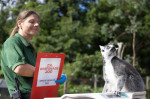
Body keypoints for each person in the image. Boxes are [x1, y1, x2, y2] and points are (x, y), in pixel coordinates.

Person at [1, 10, 66, 99]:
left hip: (37, 95)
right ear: (20, 24)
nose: (37, 25)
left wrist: (54, 77)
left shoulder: (30, 48)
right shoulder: (12, 42)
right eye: (32, 22)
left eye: (38, 23)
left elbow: (35, 73)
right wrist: (51, 75)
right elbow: (20, 68)